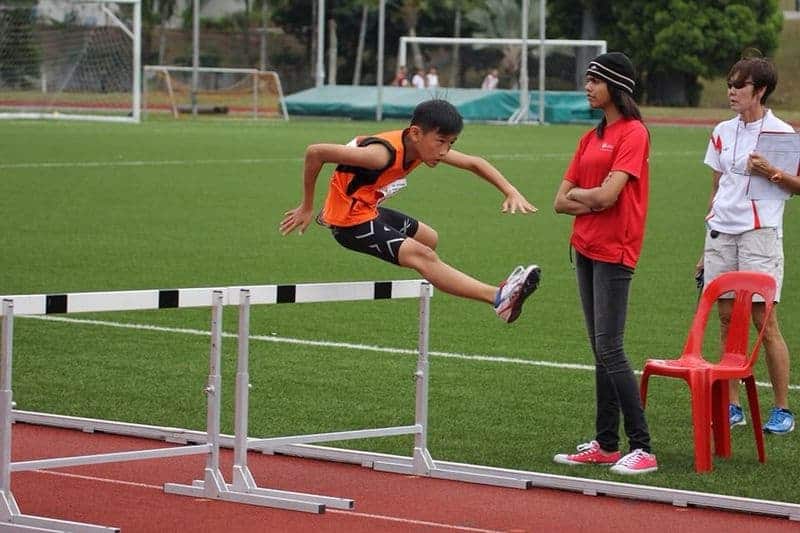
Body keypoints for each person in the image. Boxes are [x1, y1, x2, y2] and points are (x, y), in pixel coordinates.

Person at [280, 99, 541, 324]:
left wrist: (511, 190)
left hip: (368, 209)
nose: (444, 151)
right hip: (348, 223)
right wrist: (307, 205)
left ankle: (426, 265)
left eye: (451, 143)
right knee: (423, 254)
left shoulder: (420, 146)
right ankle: (498, 298)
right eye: (440, 142)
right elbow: (315, 152)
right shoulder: (380, 155)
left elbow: (474, 162)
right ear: (416, 133)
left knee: (429, 239)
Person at [552, 52, 657, 475]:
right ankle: (606, 443)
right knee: (600, 349)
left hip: (616, 250)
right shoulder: (589, 138)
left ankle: (643, 447)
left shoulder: (634, 134)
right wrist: (588, 196)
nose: (587, 86)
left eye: (594, 80)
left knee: (611, 347)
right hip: (585, 249)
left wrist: (587, 195)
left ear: (616, 87)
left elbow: (607, 198)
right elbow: (560, 201)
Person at [697, 55, 797, 435]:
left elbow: (797, 184)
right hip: (721, 232)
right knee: (725, 318)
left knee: (762, 320)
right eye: (730, 85)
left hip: (760, 234)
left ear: (761, 90)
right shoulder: (722, 130)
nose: (732, 92)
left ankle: (783, 409)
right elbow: (716, 187)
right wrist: (701, 249)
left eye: (740, 86)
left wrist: (771, 171)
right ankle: (732, 405)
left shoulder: (781, 133)